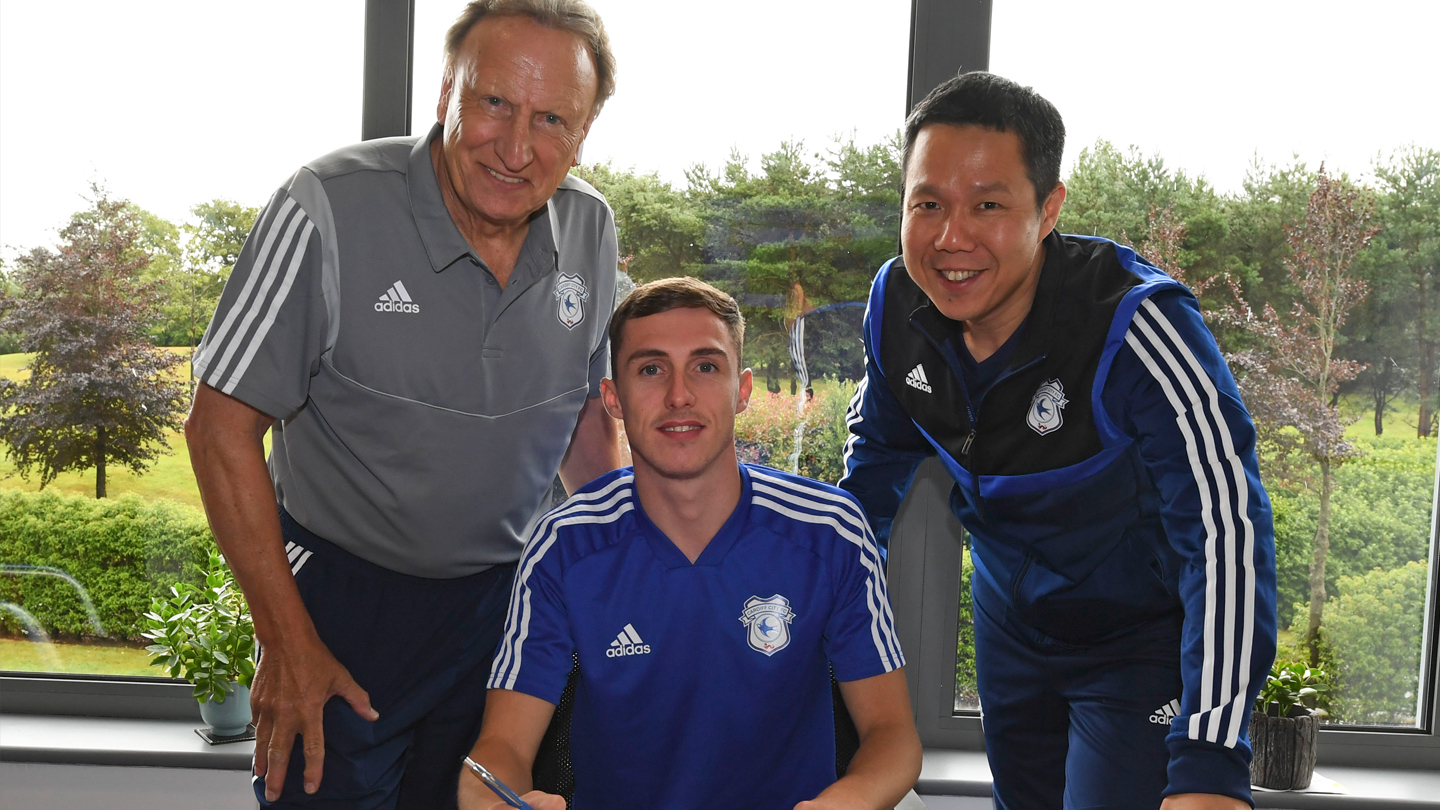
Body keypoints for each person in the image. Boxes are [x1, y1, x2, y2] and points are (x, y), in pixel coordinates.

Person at [183, 1, 624, 807]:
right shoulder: (324, 207)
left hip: (503, 609)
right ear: (445, 93)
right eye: (494, 103)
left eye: (553, 119)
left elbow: (586, 423)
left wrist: (620, 584)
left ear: (584, 132)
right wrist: (286, 640)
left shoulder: (591, 228)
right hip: (345, 606)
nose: (517, 148)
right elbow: (219, 429)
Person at [839, 72, 1278, 810]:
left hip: (1137, 645)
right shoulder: (897, 302)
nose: (952, 238)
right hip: (1012, 627)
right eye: (928, 204)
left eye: (987, 204)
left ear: (1048, 210)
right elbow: (873, 467)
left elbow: (1224, 528)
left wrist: (1212, 764)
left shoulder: (1139, 329)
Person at [460, 278, 922, 810]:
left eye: (706, 366)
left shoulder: (831, 532)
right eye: (651, 369)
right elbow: (499, 749)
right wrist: (493, 801)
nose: (679, 395)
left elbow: (893, 736)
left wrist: (846, 804)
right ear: (612, 397)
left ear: (742, 390)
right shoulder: (564, 545)